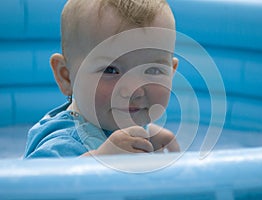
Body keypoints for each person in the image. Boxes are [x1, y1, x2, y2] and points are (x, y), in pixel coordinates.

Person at [24, 0, 180, 158]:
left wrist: (146, 133)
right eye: (111, 70)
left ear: (171, 73)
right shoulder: (62, 144)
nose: (135, 90)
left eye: (152, 70)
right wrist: (99, 160)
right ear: (67, 77)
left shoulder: (113, 117)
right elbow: (28, 181)